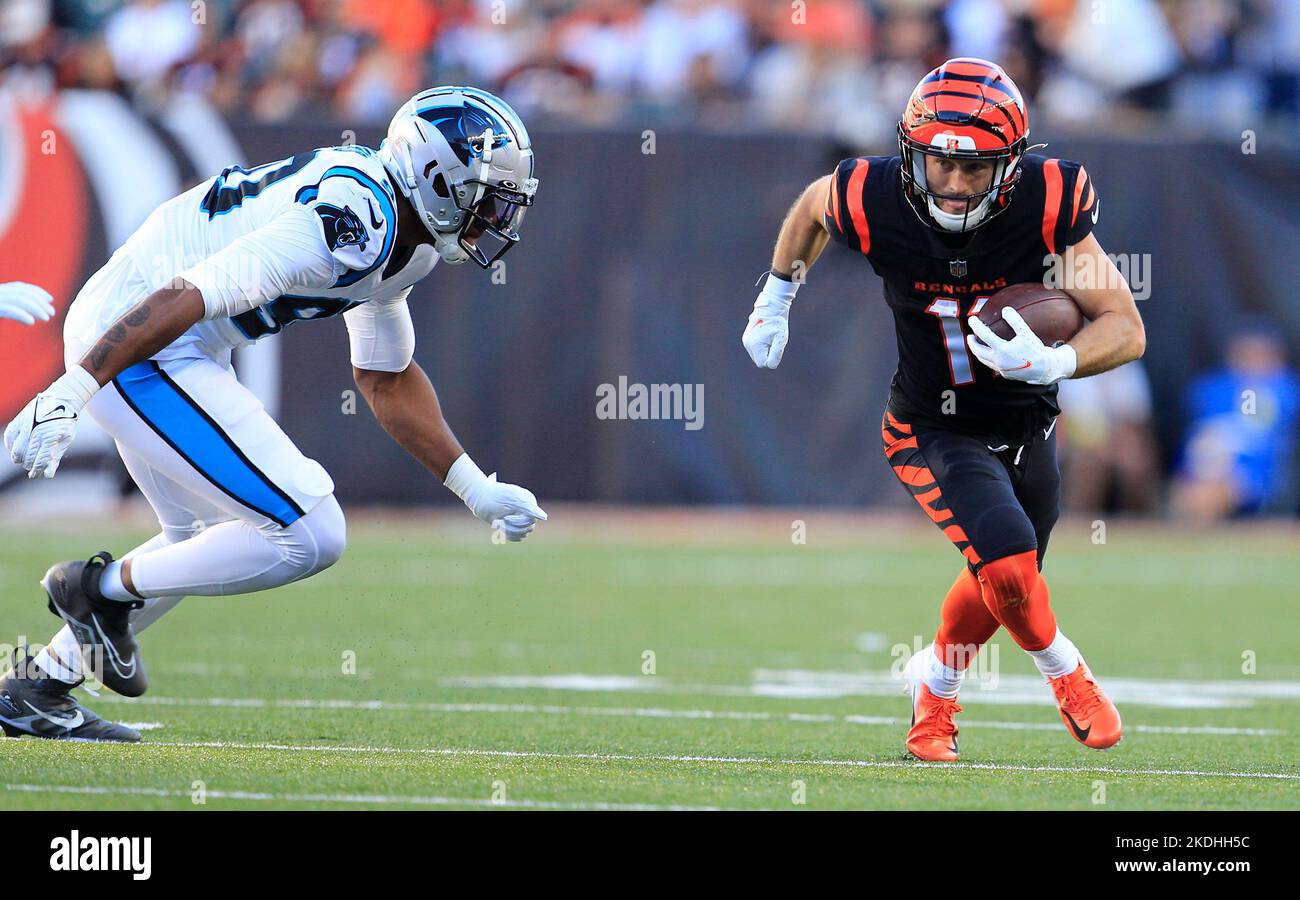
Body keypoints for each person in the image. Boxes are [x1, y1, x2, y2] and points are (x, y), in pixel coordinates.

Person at [1, 86, 547, 742]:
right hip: (140, 335)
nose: (498, 213)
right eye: (488, 193)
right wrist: (74, 390)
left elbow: (384, 374)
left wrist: (474, 487)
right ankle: (96, 589)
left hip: (178, 339)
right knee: (312, 532)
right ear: (437, 177)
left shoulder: (407, 236)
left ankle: (36, 689)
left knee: (200, 542)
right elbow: (192, 292)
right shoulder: (350, 220)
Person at [742, 58, 1146, 761]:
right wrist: (776, 295)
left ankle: (933, 692)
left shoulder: (1046, 204)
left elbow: (1125, 326)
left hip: (1030, 425)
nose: (955, 185)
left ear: (1013, 167)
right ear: (910, 155)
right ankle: (1068, 674)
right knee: (1012, 567)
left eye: (976, 169)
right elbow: (813, 204)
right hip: (931, 428)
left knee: (1000, 578)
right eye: (939, 166)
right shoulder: (875, 198)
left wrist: (1059, 362)